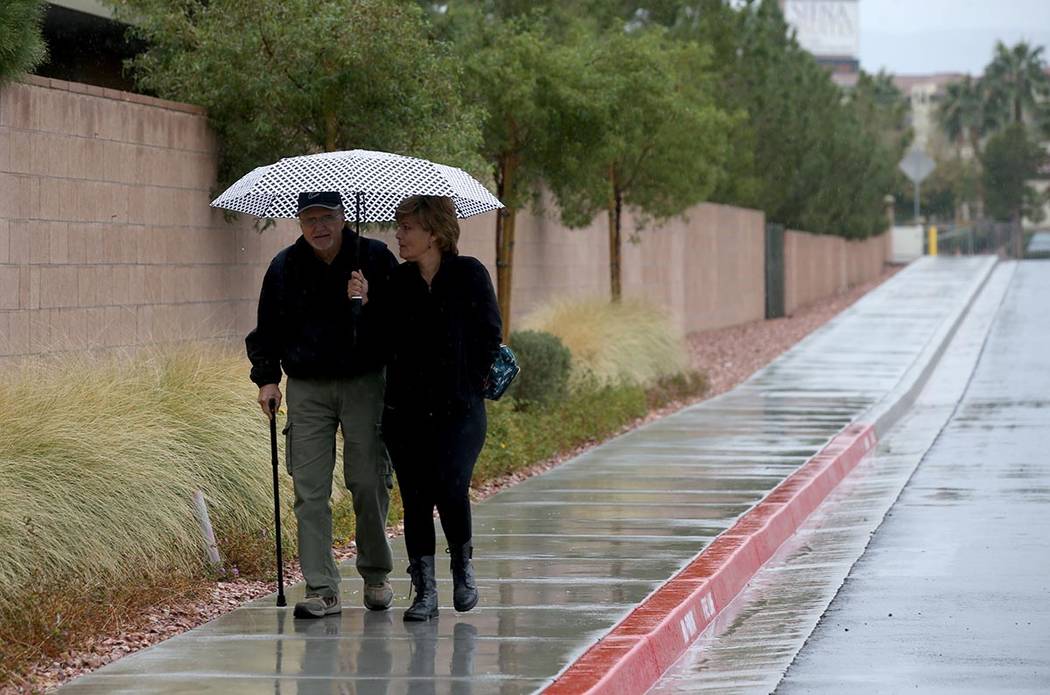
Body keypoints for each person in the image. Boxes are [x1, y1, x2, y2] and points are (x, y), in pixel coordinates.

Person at [246, 191, 399, 619]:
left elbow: (401, 323)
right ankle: (321, 587)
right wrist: (268, 379)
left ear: (343, 216)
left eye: (327, 217)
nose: (319, 227)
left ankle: (375, 575)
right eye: (309, 219)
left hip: (364, 383)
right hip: (307, 387)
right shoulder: (284, 266)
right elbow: (267, 329)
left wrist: (370, 301)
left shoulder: (374, 257)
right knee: (309, 490)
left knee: (367, 481)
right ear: (298, 222)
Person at [352, 195, 501, 622]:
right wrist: (361, 305)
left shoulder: (469, 274)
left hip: (460, 410)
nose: (397, 234)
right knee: (416, 499)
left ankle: (462, 569)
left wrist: (464, 376)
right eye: (398, 226)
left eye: (406, 227)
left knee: (452, 487)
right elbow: (374, 347)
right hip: (406, 412)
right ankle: (425, 590)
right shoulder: (397, 283)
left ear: (433, 232)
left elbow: (490, 332)